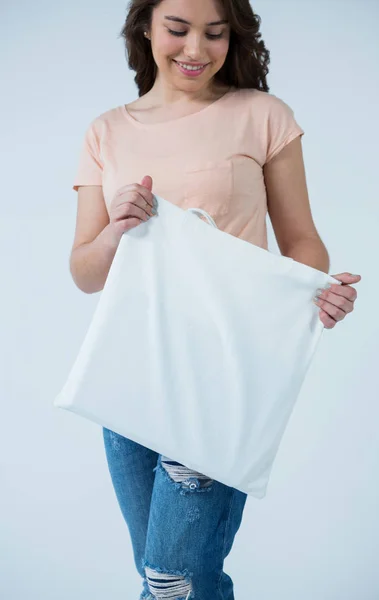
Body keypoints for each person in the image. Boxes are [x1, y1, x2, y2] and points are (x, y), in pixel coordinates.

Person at [69, 1, 361, 598]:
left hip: (227, 370)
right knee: (173, 576)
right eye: (178, 30)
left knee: (169, 576)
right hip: (130, 370)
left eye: (215, 33)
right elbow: (85, 272)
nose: (195, 50)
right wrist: (113, 229)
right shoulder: (106, 130)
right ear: (145, 27)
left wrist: (313, 299)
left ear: (235, 36)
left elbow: (302, 241)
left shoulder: (263, 116)